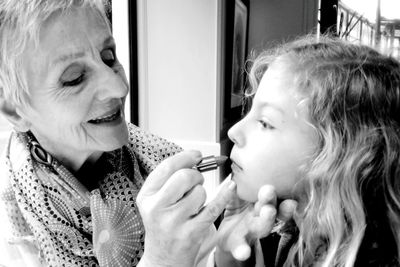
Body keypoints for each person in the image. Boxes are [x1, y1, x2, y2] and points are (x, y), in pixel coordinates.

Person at [0, 0, 246, 266]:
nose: (118, 87)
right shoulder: (9, 224)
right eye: (74, 78)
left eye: (108, 57)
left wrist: (228, 256)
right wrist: (160, 260)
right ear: (15, 111)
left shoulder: (159, 166)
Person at [214, 36, 400, 266]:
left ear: (333, 157)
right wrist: (228, 256)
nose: (233, 131)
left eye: (265, 122)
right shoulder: (286, 233)